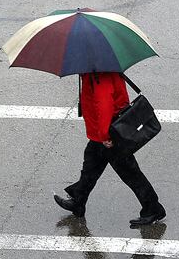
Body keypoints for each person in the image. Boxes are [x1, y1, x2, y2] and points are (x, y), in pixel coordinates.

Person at [54, 72, 166, 226]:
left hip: (109, 133)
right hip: (103, 133)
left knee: (129, 172)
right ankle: (78, 201)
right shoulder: (98, 70)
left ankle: (153, 208)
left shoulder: (98, 74)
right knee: (91, 166)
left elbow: (104, 103)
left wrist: (104, 134)